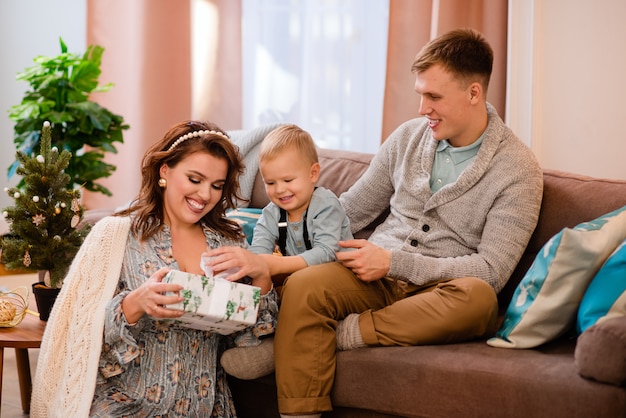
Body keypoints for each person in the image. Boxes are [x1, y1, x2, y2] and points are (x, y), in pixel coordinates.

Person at [272, 28, 544, 417]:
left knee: (480, 302)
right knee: (303, 285)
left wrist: (394, 263)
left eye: (433, 96)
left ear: (473, 93)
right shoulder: (408, 138)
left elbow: (492, 271)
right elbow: (350, 209)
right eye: (420, 94)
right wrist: (283, 241)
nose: (421, 108)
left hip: (439, 292)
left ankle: (344, 333)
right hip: (372, 278)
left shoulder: (518, 171)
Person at [30, 120, 279, 417]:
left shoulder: (229, 241)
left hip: (203, 407)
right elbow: (80, 340)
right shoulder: (117, 235)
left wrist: (262, 274)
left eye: (216, 185)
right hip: (122, 403)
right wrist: (133, 305)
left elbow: (249, 340)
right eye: (194, 179)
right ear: (165, 171)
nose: (204, 195)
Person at [219, 124, 353, 380]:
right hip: (296, 287)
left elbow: (327, 252)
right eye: (270, 182)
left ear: (313, 174)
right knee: (265, 285)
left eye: (288, 180)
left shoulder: (325, 204)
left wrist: (276, 265)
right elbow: (258, 252)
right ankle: (260, 336)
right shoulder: (271, 213)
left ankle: (312, 338)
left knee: (294, 285)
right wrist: (253, 267)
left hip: (336, 285)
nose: (280, 190)